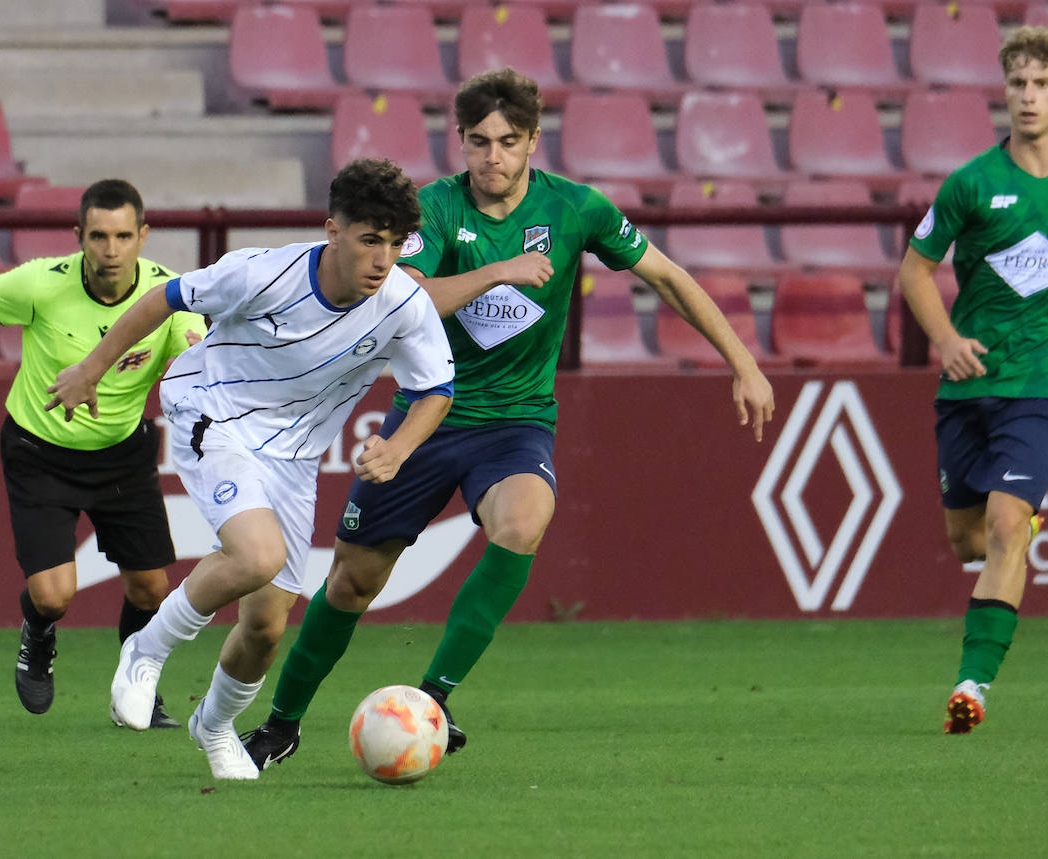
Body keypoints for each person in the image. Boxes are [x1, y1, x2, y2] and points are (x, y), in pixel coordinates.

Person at [242, 68, 776, 769]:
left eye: (507, 141)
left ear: (533, 141)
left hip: (517, 421)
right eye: (478, 142)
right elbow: (410, 300)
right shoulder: (432, 208)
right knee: (351, 583)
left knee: (523, 520)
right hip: (429, 413)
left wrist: (743, 360)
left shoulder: (575, 208)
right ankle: (281, 723)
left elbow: (668, 277)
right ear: (459, 142)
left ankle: (434, 697)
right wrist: (498, 272)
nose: (492, 156)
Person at [45, 158, 455, 780]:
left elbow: (437, 389)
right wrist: (91, 369)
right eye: (370, 240)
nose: (383, 258)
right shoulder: (264, 272)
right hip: (213, 412)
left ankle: (212, 728)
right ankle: (145, 650)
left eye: (395, 244)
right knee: (256, 556)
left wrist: (399, 448)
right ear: (333, 230)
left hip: (294, 458)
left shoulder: (404, 303)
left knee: (266, 624)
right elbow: (163, 298)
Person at [898, 26, 1048, 734]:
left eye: (1042, 84)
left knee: (1007, 524)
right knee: (968, 539)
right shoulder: (972, 183)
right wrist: (944, 338)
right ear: (1003, 92)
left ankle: (972, 683)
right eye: (1018, 84)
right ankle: (1024, 519)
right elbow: (915, 268)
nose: (1029, 97)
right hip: (970, 384)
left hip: (1045, 381)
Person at [0, 179, 205, 726]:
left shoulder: (169, 295)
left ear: (143, 236)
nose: (111, 249)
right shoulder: (39, 283)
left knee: (151, 589)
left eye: (124, 235)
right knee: (54, 596)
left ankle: (136, 689)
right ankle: (38, 635)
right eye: (98, 236)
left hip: (122, 455)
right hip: (39, 451)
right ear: (78, 236)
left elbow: (195, 354)